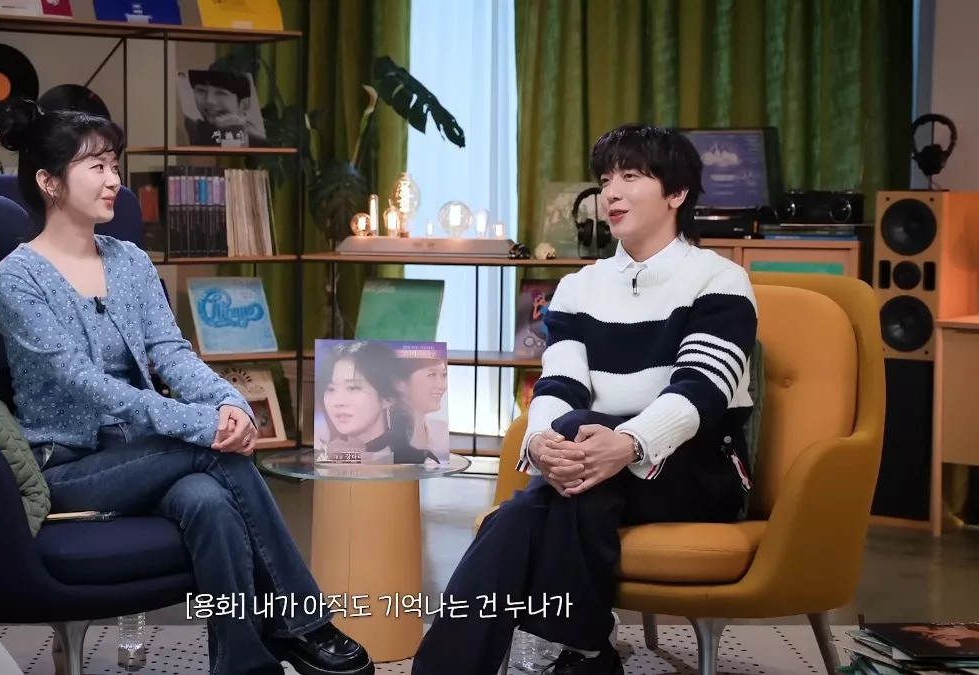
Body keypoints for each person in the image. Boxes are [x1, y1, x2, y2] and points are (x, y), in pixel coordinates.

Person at [0, 99, 374, 675]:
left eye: (114, 165)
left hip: (146, 452)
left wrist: (230, 402)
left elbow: (171, 352)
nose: (115, 181)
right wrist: (201, 423)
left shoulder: (129, 260)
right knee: (214, 453)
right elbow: (83, 382)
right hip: (70, 466)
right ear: (49, 181)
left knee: (210, 502)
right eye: (97, 167)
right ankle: (302, 622)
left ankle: (244, 666)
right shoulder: (18, 276)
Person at [411, 123, 759, 675]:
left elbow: (701, 390)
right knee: (560, 490)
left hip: (698, 467)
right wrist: (541, 443)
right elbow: (559, 385)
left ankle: (554, 654)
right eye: (605, 180)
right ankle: (580, 654)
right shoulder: (579, 287)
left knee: (534, 503)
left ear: (676, 193)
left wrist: (627, 443)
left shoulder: (719, 279)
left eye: (630, 176)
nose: (611, 193)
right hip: (596, 462)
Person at [315, 341, 437, 465]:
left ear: (387, 398)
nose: (338, 402)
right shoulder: (322, 458)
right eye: (331, 389)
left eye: (353, 388)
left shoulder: (418, 462)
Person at [393, 356, 449, 461]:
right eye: (432, 375)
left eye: (444, 375)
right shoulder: (378, 432)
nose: (441, 385)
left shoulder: (442, 432)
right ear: (399, 383)